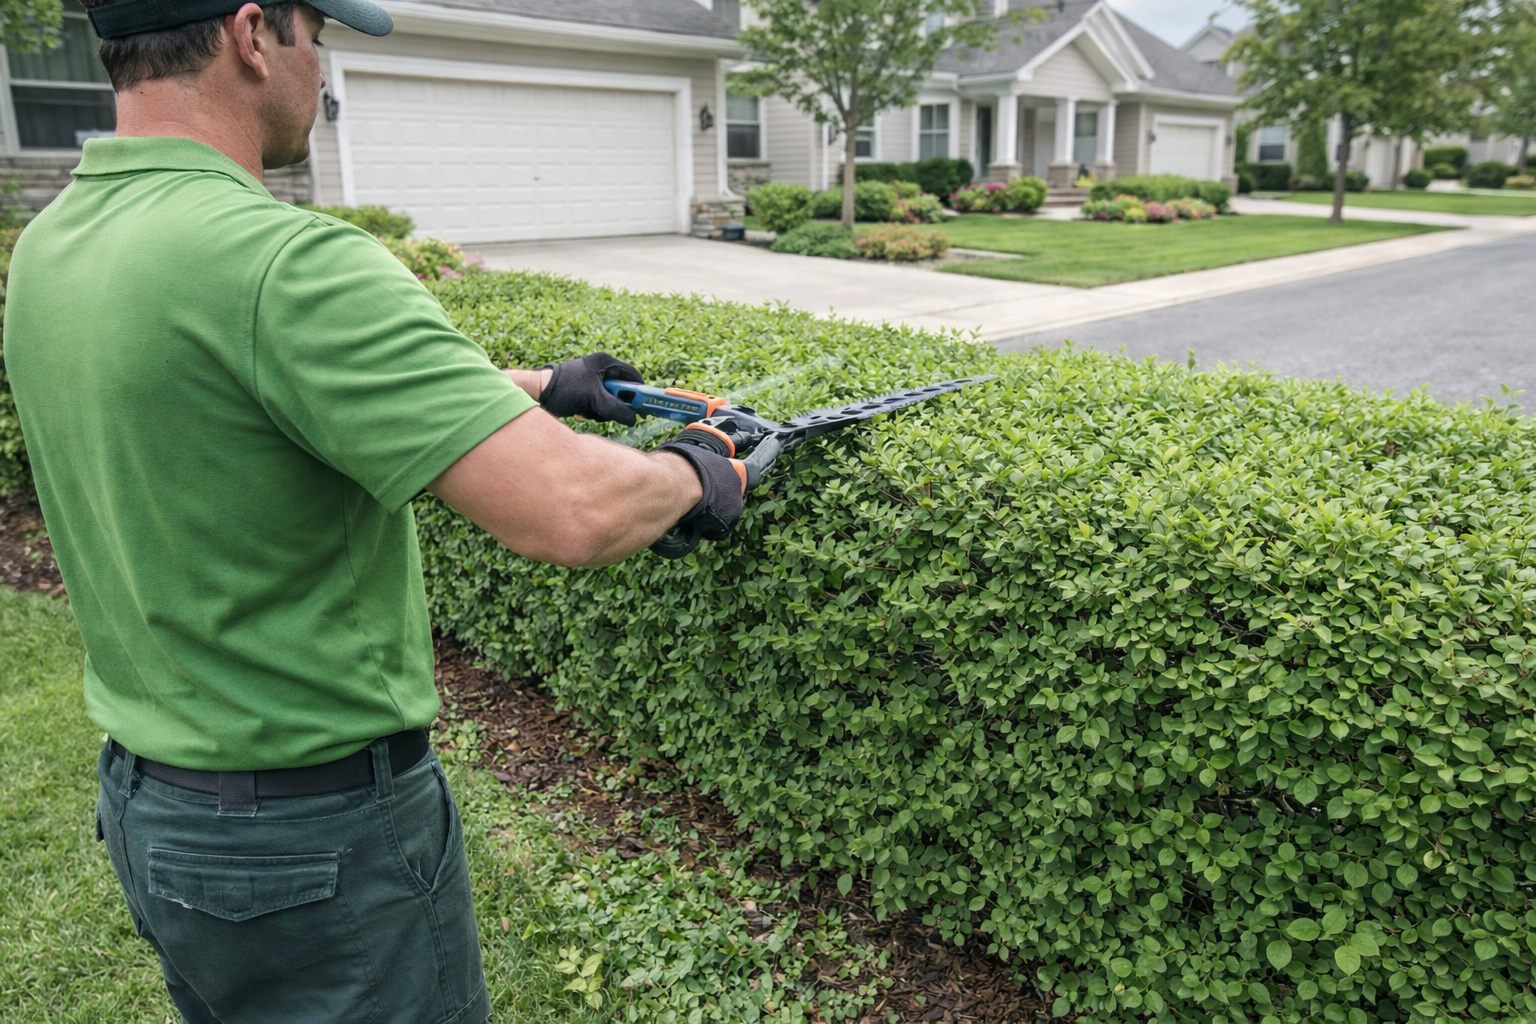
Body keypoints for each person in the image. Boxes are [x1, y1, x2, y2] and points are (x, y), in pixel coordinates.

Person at [1, 1, 753, 1021]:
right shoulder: (286, 262)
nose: (326, 72)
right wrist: (697, 470)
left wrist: (531, 387)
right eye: (323, 36)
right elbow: (573, 508)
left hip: (158, 812)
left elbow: (239, 386)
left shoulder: (54, 249)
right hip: (315, 846)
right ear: (254, 33)